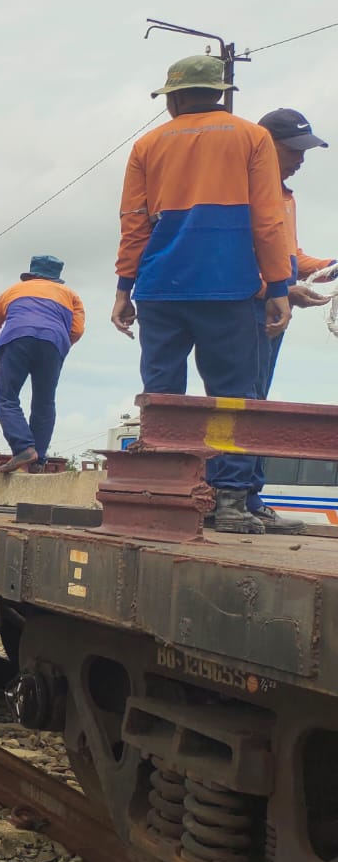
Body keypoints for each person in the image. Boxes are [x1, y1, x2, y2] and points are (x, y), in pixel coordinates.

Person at [113, 55, 293, 534]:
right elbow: (269, 220)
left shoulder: (148, 144)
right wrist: (278, 287)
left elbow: (134, 223)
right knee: (233, 395)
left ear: (172, 98)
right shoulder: (251, 137)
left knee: (163, 395)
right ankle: (229, 503)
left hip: (159, 288)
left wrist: (123, 288)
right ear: (221, 93)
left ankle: (167, 495)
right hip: (228, 287)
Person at [244, 109, 335, 531]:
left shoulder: (284, 195)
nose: (301, 158)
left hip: (274, 312)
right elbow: (239, 259)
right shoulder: (242, 191)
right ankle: (235, 496)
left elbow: (290, 257)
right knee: (244, 404)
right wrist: (275, 291)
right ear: (265, 144)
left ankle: (248, 496)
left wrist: (330, 266)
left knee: (257, 404)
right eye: (294, 149)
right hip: (249, 311)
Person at [0, 256, 86, 473]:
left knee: (7, 398)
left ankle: (23, 448)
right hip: (54, 343)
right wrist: (57, 344)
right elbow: (76, 330)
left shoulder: (12, 291)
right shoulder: (71, 296)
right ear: (57, 279)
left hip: (16, 338)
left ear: (31, 275)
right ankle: (38, 460)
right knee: (44, 402)